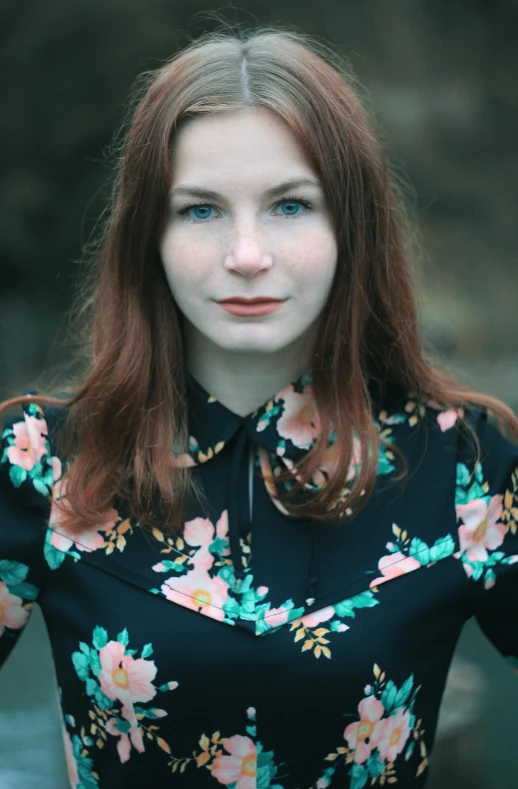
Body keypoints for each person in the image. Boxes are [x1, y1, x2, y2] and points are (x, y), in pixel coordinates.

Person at [0, 23, 517, 789]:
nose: (246, 254)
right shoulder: (43, 459)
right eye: (201, 210)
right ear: (151, 235)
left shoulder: (463, 462)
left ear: (352, 224)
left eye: (290, 205)